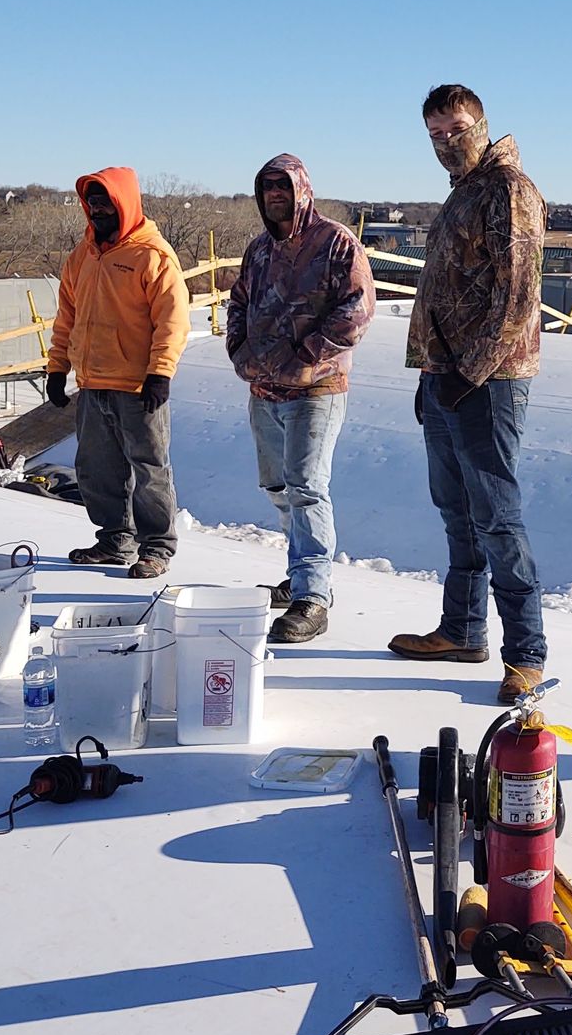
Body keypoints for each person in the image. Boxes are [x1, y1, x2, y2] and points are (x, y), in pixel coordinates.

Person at [388, 84, 550, 704]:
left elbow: (518, 297)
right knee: (454, 508)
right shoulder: (465, 193)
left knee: (496, 518)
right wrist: (432, 375)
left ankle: (526, 653)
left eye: (455, 130)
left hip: (489, 382)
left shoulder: (508, 189)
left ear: (481, 124)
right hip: (445, 378)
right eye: (434, 135)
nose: (445, 144)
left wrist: (468, 373)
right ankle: (461, 629)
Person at [227, 154, 375, 643]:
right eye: (267, 187)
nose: (275, 195)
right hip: (263, 390)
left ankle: (313, 596)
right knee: (278, 487)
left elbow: (357, 310)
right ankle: (301, 571)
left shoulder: (335, 243)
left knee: (307, 486)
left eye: (283, 187)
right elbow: (238, 304)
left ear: (302, 190)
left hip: (317, 389)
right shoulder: (258, 251)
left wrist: (305, 358)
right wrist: (240, 352)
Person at [45, 168, 190, 580]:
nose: (98, 209)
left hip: (138, 386)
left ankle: (156, 548)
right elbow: (66, 318)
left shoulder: (152, 256)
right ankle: (114, 540)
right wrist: (58, 368)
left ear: (124, 202)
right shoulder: (83, 256)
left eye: (105, 201)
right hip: (92, 384)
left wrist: (160, 373)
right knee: (96, 469)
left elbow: (172, 320)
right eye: (92, 202)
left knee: (149, 468)